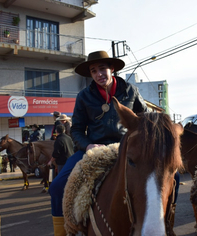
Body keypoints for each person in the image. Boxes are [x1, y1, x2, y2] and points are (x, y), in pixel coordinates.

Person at [48, 50, 149, 236]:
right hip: (93, 149)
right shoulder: (83, 96)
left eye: (102, 69)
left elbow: (146, 118)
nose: (98, 74)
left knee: (171, 178)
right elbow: (76, 129)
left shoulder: (131, 90)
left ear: (112, 69)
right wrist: (87, 146)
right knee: (56, 187)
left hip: (125, 147)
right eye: (93, 71)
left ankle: (166, 222)